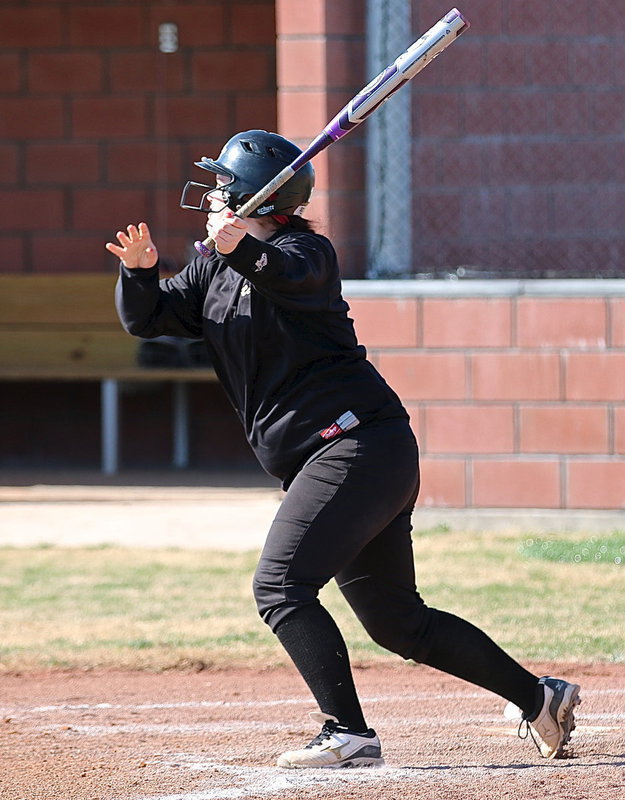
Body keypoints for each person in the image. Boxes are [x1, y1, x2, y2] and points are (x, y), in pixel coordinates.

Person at [107, 129, 581, 769]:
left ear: (257, 196)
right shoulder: (216, 263)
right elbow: (154, 319)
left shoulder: (307, 251)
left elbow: (289, 275)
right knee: (397, 623)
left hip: (357, 446)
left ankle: (346, 734)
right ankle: (539, 699)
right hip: (343, 458)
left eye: (225, 184)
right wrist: (138, 273)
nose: (215, 192)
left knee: (280, 586)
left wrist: (241, 247)